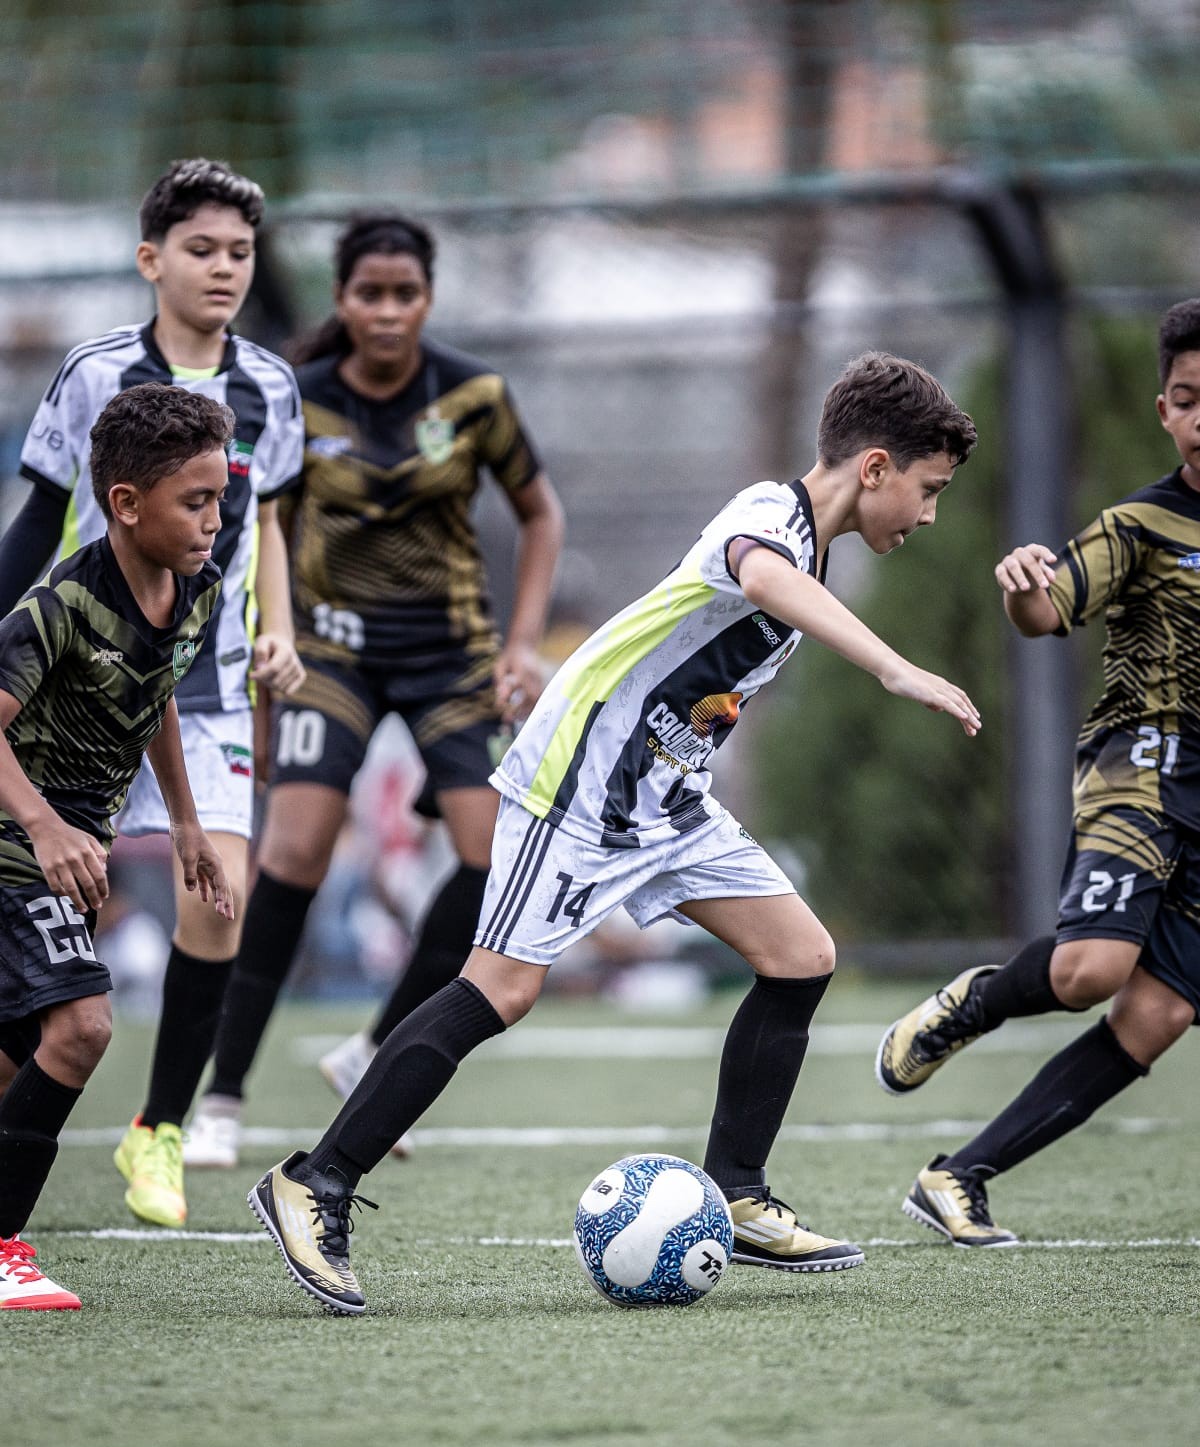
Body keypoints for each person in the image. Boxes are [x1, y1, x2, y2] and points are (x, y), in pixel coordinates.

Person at [246, 350, 981, 1315]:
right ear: (875, 467)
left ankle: (740, 1194)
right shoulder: (769, 516)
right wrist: (893, 667)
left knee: (801, 955)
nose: (928, 516)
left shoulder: (821, 546)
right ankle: (318, 1181)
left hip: (666, 798)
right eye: (926, 491)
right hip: (581, 780)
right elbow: (761, 579)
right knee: (499, 990)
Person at [184, 212, 564, 1168]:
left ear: (427, 299)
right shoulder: (294, 400)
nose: (388, 312)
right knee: (296, 852)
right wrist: (266, 676)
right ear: (342, 301)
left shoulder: (474, 394)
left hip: (453, 662)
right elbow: (258, 533)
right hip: (329, 659)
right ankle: (219, 1100)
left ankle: (370, 1053)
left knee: (494, 867)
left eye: (406, 295)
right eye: (369, 294)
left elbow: (540, 512)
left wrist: (521, 645)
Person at [0, 159, 305, 1229]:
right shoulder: (92, 372)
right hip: (80, 689)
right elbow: (41, 516)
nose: (224, 269)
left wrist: (286, 634)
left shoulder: (271, 385)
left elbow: (270, 522)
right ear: (151, 260)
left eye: (240, 253)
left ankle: (159, 1130)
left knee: (218, 891)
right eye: (202, 250)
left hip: (202, 686)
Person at [876, 298, 1200, 1248]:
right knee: (1092, 970)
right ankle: (970, 1004)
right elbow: (1050, 606)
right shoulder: (1141, 523)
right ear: (1164, 411)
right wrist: (1026, 589)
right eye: (1187, 399)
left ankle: (957, 1177)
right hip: (1142, 761)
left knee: (1161, 1013)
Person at [0, 385, 234, 1309]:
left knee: (17, 1056)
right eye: (196, 502)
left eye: (221, 499)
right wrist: (47, 826)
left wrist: (184, 820)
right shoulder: (58, 604)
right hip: (19, 836)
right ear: (125, 504)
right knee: (84, 1026)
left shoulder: (196, 589)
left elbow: (159, 689)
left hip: (75, 843)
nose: (215, 521)